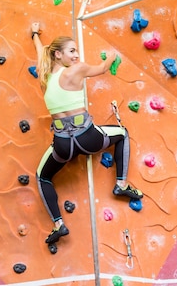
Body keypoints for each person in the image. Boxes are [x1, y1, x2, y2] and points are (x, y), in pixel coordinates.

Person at [30, 22, 143, 245]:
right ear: (58, 54)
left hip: (63, 145)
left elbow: (40, 52)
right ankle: (121, 184)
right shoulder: (77, 69)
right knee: (122, 133)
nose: (76, 55)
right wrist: (112, 56)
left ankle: (58, 224)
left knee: (42, 177)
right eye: (72, 51)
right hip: (88, 137)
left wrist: (34, 34)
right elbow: (102, 68)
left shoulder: (44, 78)